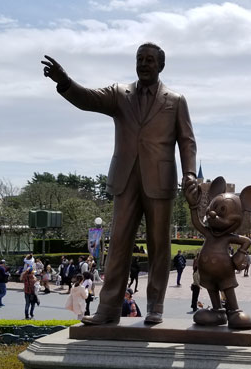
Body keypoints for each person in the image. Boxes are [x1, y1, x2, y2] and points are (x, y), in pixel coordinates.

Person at [43, 43, 196, 326]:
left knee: (159, 245)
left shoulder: (175, 100)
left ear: (161, 65)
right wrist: (65, 82)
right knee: (118, 245)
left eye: (150, 60)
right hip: (126, 179)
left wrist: (190, 174)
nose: (144, 64)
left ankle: (155, 306)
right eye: (140, 59)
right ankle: (109, 308)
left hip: (160, 180)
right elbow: (87, 99)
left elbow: (187, 141)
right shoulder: (119, 94)